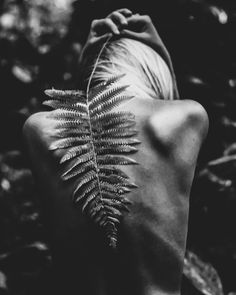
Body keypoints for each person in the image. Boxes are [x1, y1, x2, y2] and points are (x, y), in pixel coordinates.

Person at [23, 8, 209, 295]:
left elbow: (80, 105)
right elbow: (171, 95)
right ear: (153, 70)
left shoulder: (40, 130)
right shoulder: (184, 119)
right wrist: (159, 49)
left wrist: (89, 58)